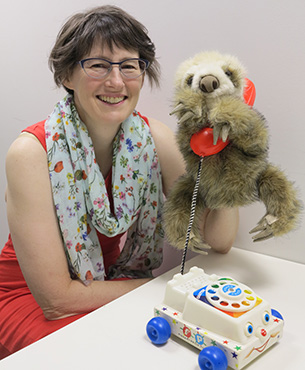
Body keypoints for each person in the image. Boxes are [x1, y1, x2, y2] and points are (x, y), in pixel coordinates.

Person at [0, 5, 239, 359]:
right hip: (29, 300)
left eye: (129, 65)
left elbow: (218, 239)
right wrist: (161, 288)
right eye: (97, 65)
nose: (116, 81)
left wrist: (222, 159)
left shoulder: (152, 139)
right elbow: (57, 300)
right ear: (67, 75)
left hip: (106, 286)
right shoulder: (30, 154)